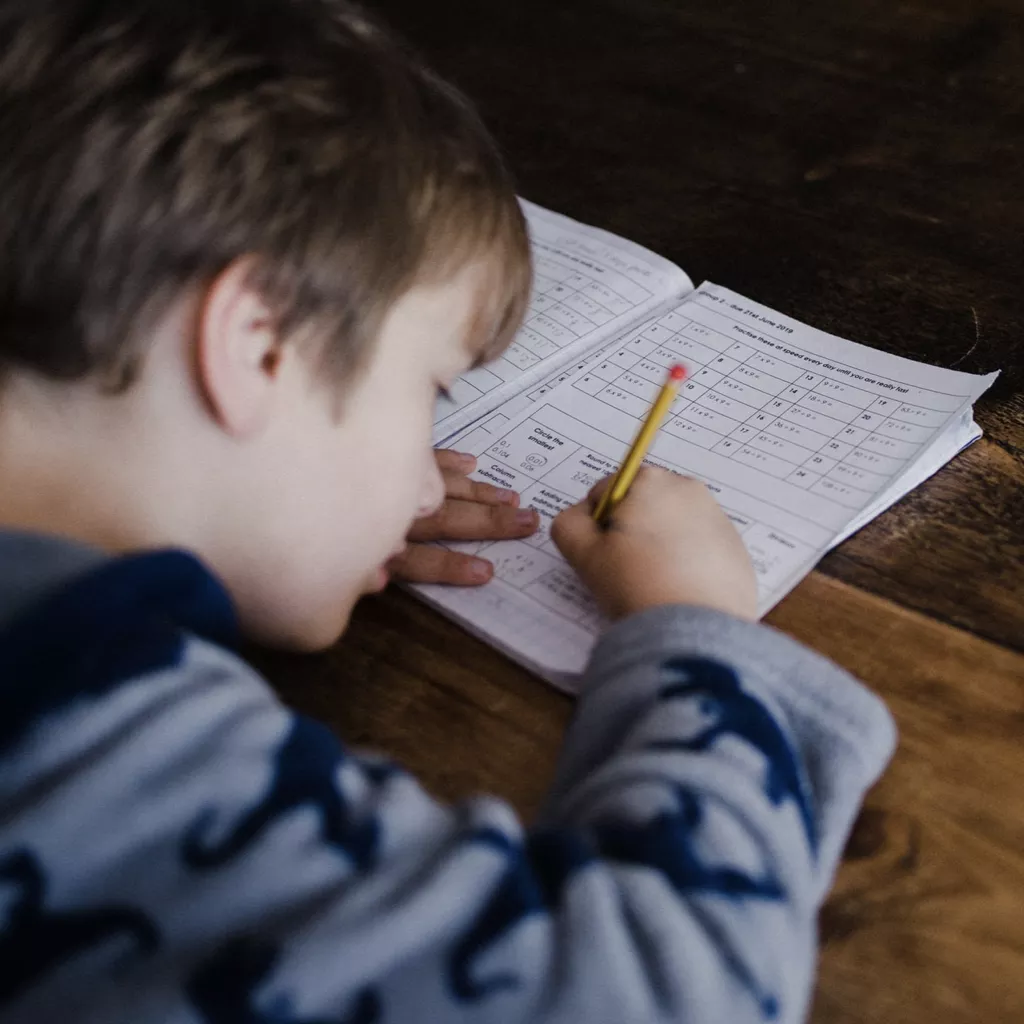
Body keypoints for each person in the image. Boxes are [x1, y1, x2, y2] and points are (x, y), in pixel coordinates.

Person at [0, 1, 896, 1022]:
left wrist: (258, 520)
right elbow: (670, 994)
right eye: (432, 388)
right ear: (259, 347)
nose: (427, 480)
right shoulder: (82, 741)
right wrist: (693, 633)